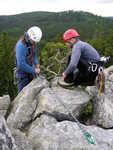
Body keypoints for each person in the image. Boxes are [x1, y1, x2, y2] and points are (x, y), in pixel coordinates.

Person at [15, 26, 42, 93]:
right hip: (22, 73)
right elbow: (21, 64)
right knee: (22, 93)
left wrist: (36, 63)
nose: (34, 42)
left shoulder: (33, 43)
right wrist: (34, 70)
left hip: (30, 68)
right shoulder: (21, 45)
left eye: (35, 41)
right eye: (34, 41)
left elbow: (34, 54)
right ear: (29, 36)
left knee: (31, 91)